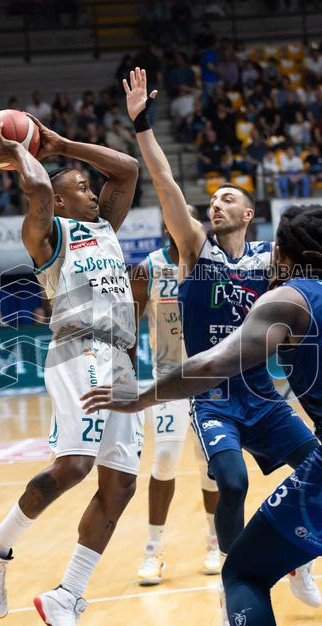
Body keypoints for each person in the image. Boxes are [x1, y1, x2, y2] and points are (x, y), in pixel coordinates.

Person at [82, 205, 322, 626]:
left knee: (244, 573)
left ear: (285, 254)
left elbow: (211, 365)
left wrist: (137, 397)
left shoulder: (290, 297)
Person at [122, 68, 322, 626]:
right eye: (210, 200)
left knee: (320, 465)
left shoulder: (271, 259)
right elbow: (163, 182)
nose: (215, 205)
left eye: (226, 198)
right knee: (230, 483)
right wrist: (143, 128)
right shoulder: (194, 251)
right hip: (211, 396)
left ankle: (298, 557)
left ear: (248, 214)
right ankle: (239, 578)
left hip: (262, 394)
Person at [0, 109, 141, 626]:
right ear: (61, 202)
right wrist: (22, 146)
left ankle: (67, 595)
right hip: (79, 349)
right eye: (81, 187)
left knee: (119, 489)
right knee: (75, 467)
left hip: (121, 359)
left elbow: (128, 171)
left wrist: (64, 141)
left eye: (92, 188)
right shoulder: (47, 233)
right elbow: (40, 189)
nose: (92, 191)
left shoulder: (103, 228)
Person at [129, 222, 220, 585]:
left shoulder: (214, 266)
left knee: (208, 465)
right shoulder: (148, 268)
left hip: (210, 378)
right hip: (167, 378)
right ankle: (153, 548)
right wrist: (128, 376)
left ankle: (215, 541)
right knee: (165, 458)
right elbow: (130, 326)